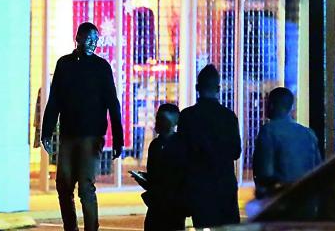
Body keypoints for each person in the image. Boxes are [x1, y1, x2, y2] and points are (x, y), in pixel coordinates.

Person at [41, 22, 124, 231]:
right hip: (69, 134)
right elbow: (55, 100)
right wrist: (46, 131)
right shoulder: (64, 64)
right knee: (63, 185)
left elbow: (113, 103)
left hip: (92, 136)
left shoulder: (101, 67)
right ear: (77, 38)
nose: (92, 44)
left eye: (95, 40)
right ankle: (71, 227)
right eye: (88, 39)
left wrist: (118, 138)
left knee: (86, 186)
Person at [177, 64, 241, 228]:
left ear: (197, 87)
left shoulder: (187, 116)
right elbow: (236, 151)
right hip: (224, 184)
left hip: (199, 186)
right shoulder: (228, 116)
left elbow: (181, 153)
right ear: (218, 88)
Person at [252, 87, 322, 199]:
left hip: (281, 200)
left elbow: (265, 172)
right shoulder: (308, 133)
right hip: (307, 199)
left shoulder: (269, 131)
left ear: (271, 105)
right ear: (291, 107)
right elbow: (318, 167)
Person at [131, 103, 186, 231]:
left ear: (173, 122)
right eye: (158, 118)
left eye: (162, 119)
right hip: (158, 203)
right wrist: (143, 179)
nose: (158, 122)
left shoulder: (178, 145)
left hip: (171, 205)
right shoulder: (156, 145)